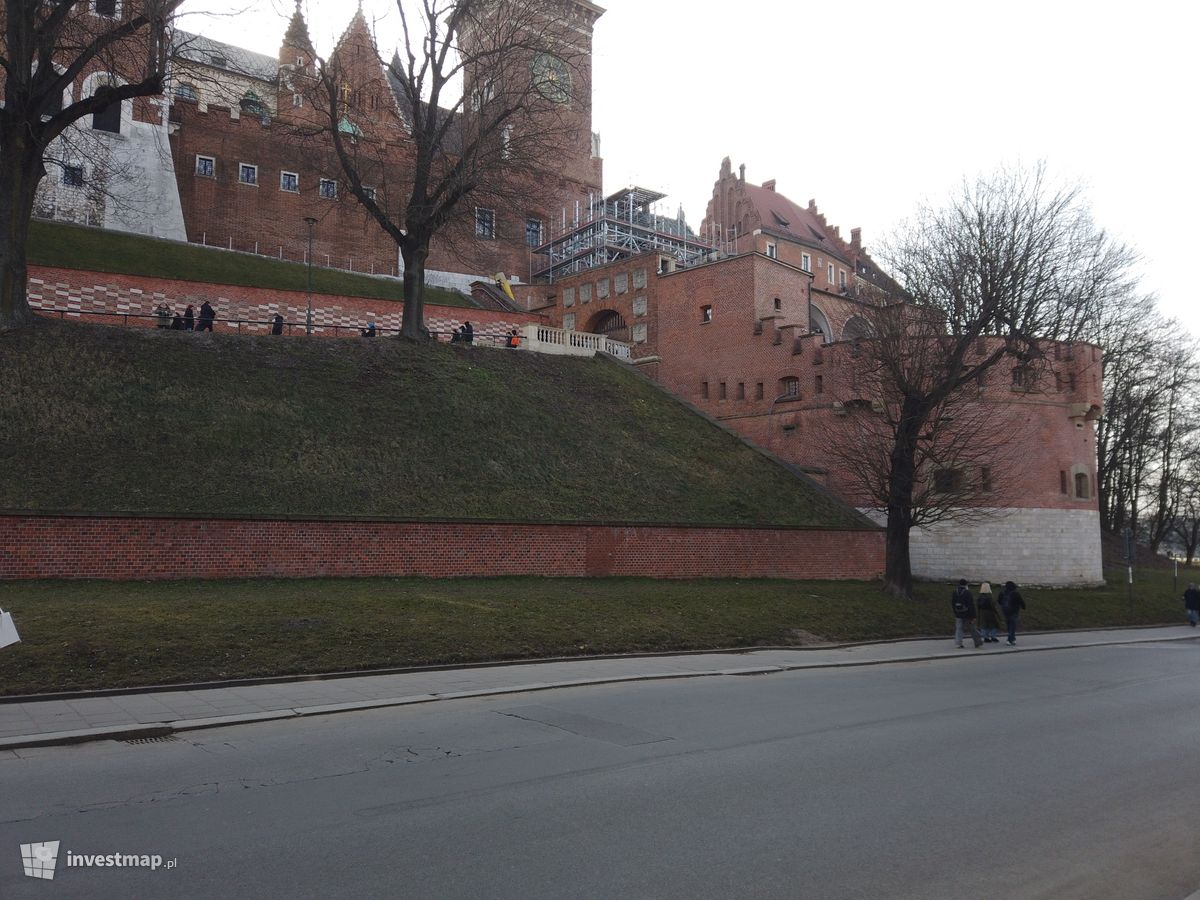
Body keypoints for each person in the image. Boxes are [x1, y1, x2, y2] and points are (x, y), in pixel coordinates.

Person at [951, 578, 981, 649]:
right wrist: (973, 616)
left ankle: (958, 643)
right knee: (972, 629)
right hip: (967, 614)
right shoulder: (968, 592)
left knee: (959, 628)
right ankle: (978, 642)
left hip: (958, 614)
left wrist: (955, 612)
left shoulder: (955, 592)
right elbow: (971, 605)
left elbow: (952, 603)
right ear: (966, 584)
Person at [998, 580, 1026, 645]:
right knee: (1012, 626)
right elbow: (1021, 601)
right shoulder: (1016, 593)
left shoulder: (1002, 593)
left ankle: (1013, 639)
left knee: (1009, 626)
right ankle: (1009, 639)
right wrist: (1023, 607)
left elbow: (999, 601)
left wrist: (1003, 605)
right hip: (1014, 612)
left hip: (1005, 612)